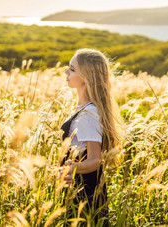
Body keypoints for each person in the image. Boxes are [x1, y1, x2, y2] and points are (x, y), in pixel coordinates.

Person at [60, 48, 122, 226]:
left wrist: (73, 169)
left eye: (72, 69)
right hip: (80, 188)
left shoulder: (89, 114)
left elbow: (96, 159)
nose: (66, 72)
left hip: (84, 193)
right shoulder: (84, 108)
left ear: (86, 77)